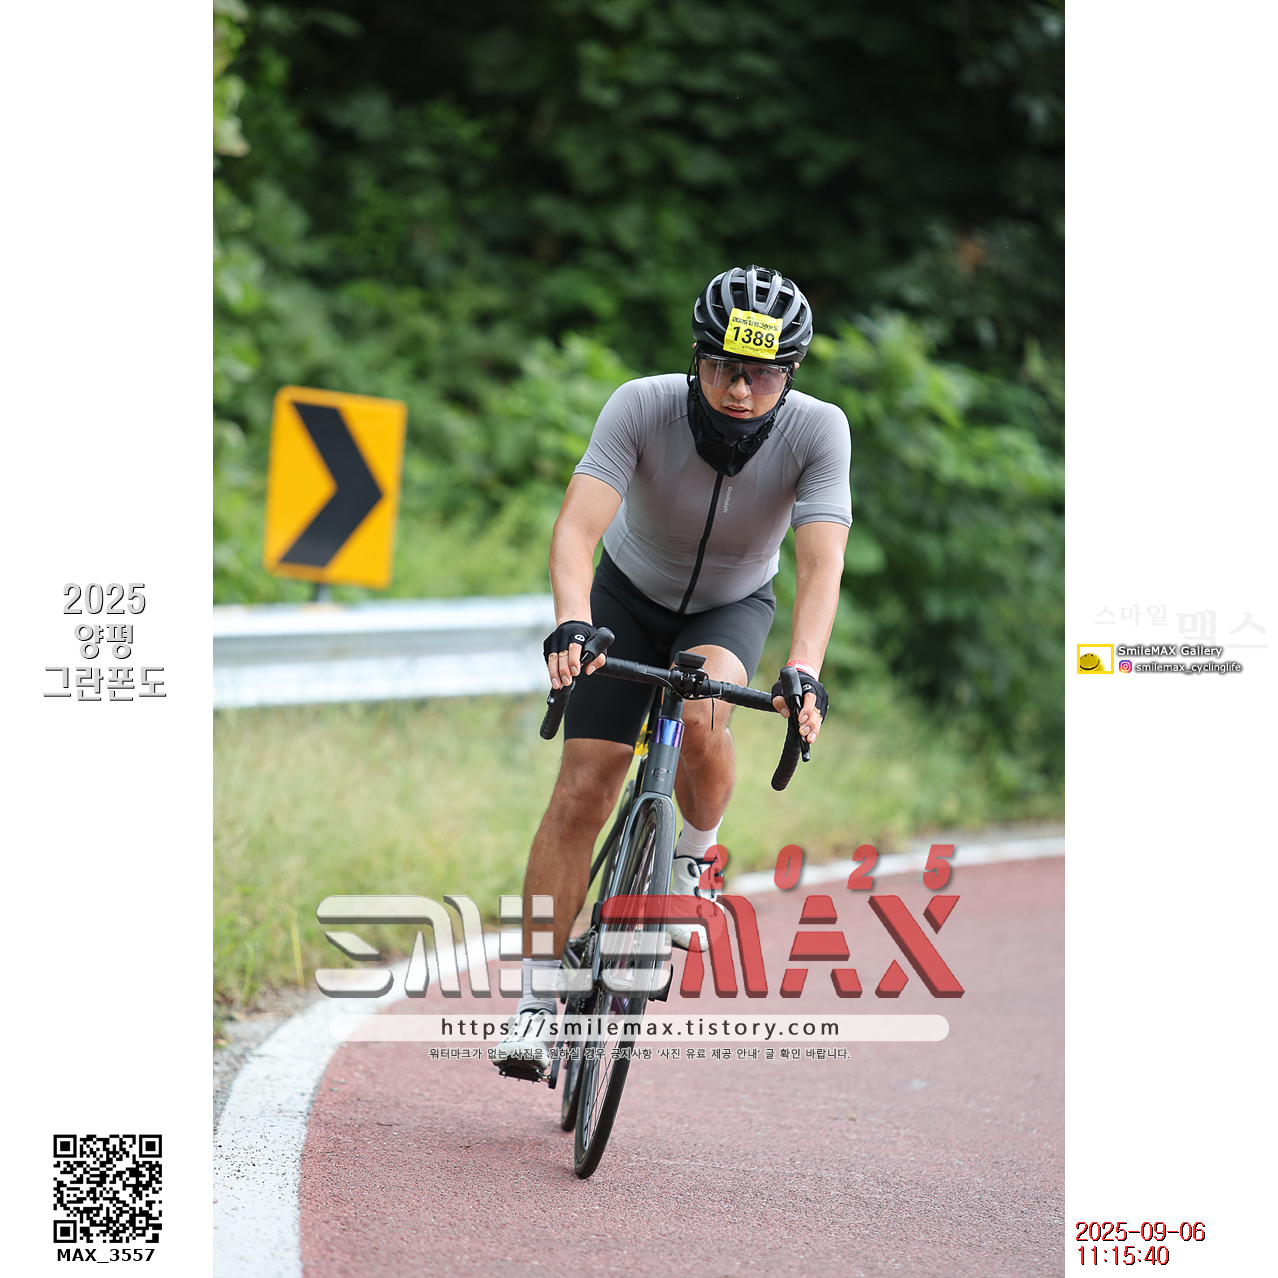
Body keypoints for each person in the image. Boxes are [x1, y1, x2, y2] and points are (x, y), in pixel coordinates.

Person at [494, 264, 851, 1074]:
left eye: (764, 375)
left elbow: (821, 564)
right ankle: (536, 1006)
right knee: (585, 785)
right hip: (626, 595)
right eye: (725, 367)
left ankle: (694, 856)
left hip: (731, 606)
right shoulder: (641, 405)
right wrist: (573, 621)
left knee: (702, 714)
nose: (741, 390)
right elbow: (577, 531)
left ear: (791, 374)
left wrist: (803, 667)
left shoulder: (819, 431)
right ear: (698, 357)